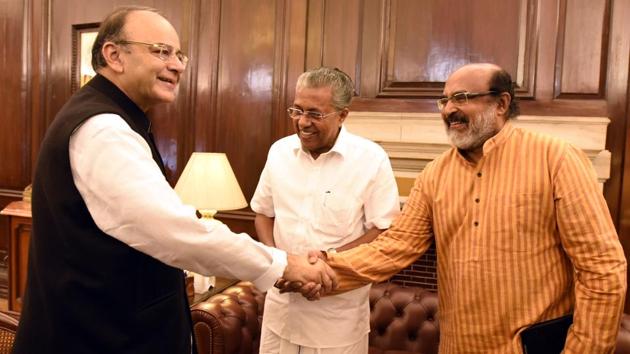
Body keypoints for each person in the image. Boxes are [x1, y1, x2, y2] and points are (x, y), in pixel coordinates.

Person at [13, 6, 335, 354]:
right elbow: (175, 232)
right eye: (161, 51)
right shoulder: (104, 130)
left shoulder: (118, 119)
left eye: (179, 55)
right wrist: (282, 265)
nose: (178, 65)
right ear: (114, 55)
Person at [303, 63, 627, 353]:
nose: (449, 110)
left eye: (462, 98)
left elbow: (602, 268)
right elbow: (394, 246)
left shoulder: (556, 159)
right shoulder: (435, 174)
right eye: (444, 101)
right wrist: (321, 268)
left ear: (501, 103)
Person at [251, 67, 400, 354]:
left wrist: (325, 267)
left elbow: (382, 231)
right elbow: (263, 214)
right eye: (297, 110)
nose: (302, 122)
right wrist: (277, 261)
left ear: (343, 114)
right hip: (280, 312)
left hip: (336, 321)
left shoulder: (371, 159)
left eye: (315, 114)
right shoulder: (279, 152)